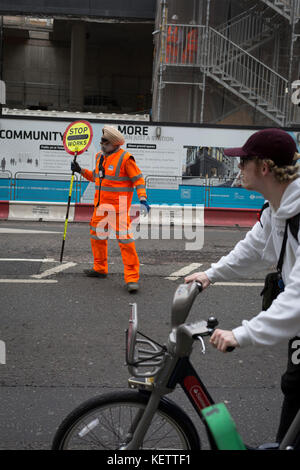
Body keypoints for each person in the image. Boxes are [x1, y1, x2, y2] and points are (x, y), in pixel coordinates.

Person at [185, 128, 300, 445]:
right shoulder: (277, 207)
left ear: (264, 167)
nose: (238, 168)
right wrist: (210, 274)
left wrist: (241, 334)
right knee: (294, 386)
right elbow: (252, 247)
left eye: (243, 161)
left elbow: (299, 298)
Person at [71, 125, 150, 293]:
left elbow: (138, 179)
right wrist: (80, 171)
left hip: (119, 210)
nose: (102, 144)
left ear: (114, 143)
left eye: (105, 141)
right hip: (100, 209)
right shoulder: (100, 156)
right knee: (97, 237)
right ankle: (100, 268)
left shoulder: (126, 159)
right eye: (101, 141)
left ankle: (132, 278)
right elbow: (96, 176)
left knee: (126, 243)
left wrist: (142, 198)